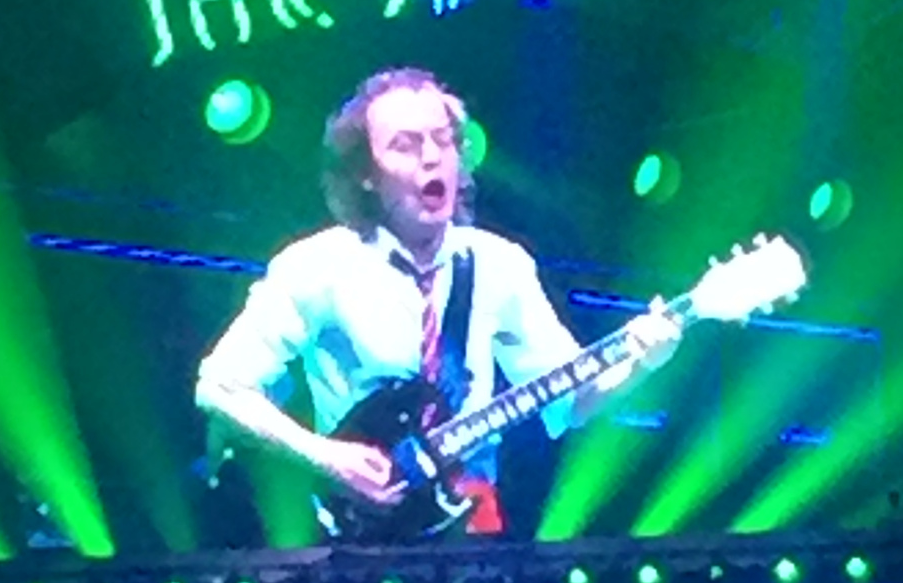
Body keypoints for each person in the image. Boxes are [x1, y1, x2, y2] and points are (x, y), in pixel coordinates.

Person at [194, 67, 679, 535]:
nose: (431, 158)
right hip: (358, 536)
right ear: (365, 172)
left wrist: (643, 361)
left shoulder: (500, 264)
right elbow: (220, 387)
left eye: (443, 140)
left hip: (470, 526)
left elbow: (571, 402)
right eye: (405, 145)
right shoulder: (317, 266)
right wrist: (326, 456)